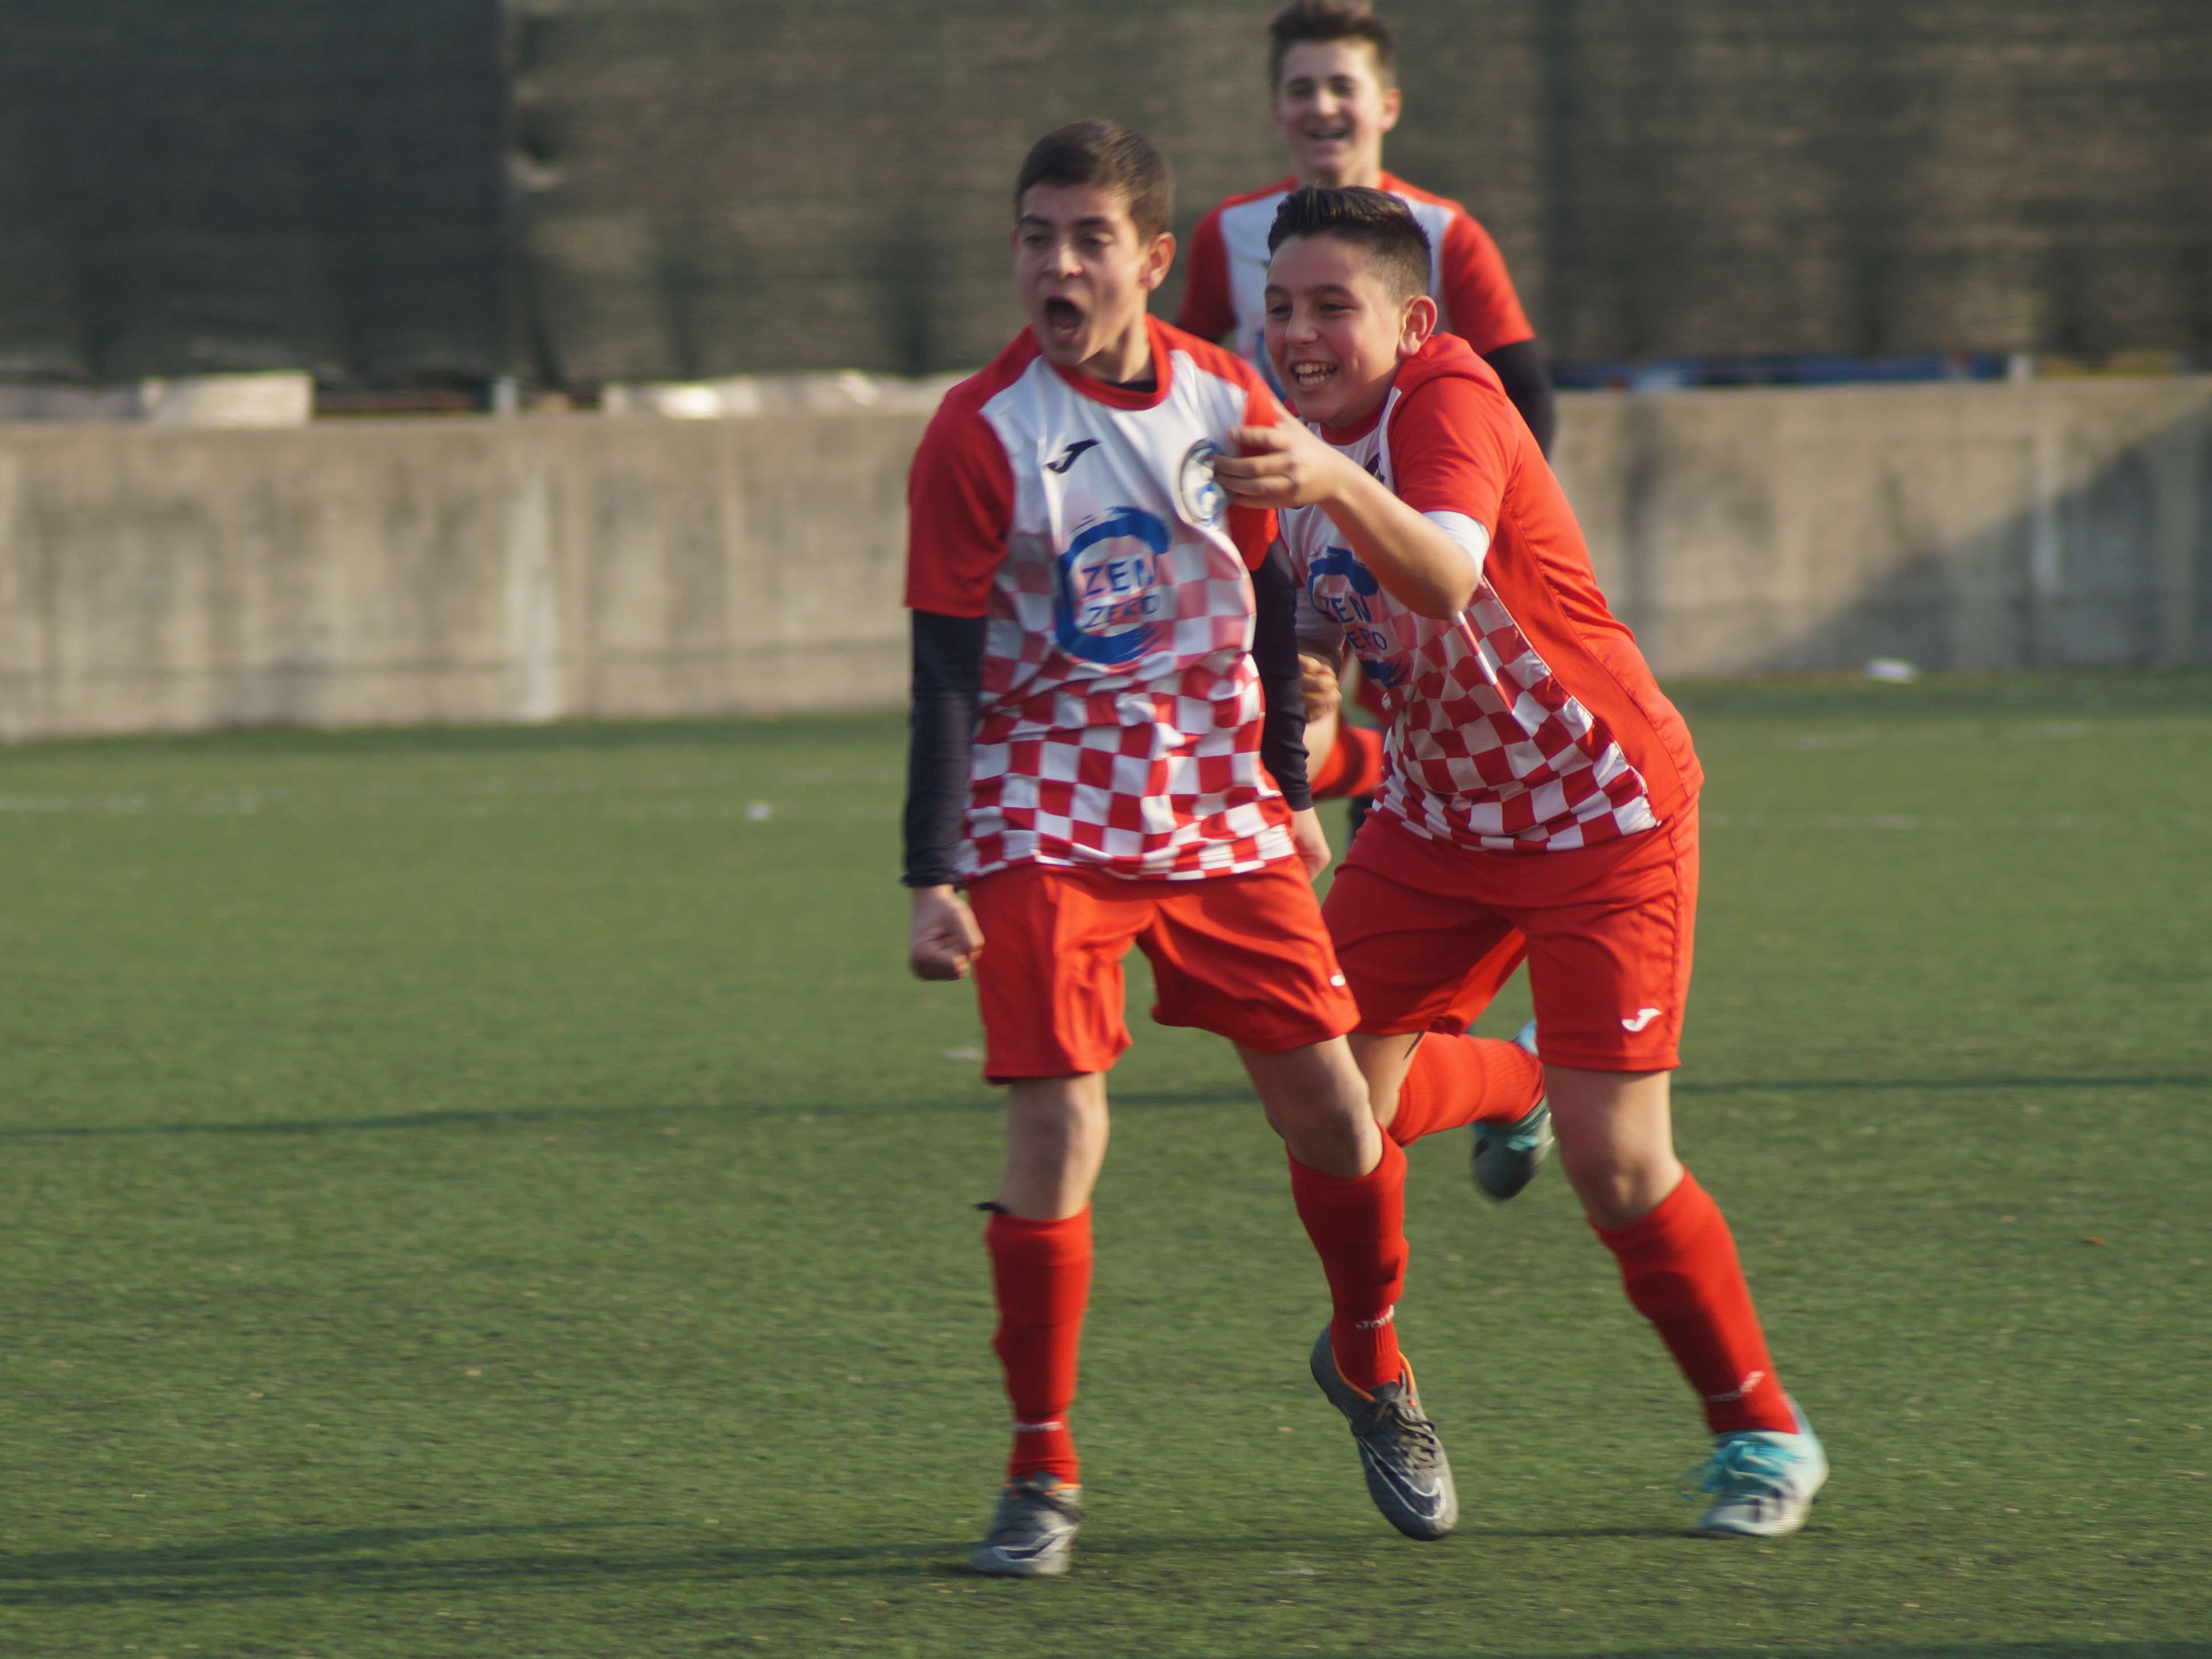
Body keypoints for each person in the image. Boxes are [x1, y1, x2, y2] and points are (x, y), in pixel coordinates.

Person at [1212, 184, 1831, 1538]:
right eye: (1280, 306)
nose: (1299, 332)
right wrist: (1286, 737)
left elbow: (1440, 575)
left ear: (1409, 322)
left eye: (1332, 305)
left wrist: (1326, 478)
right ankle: (1370, 1359)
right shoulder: (1276, 450)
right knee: (1329, 1104)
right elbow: (1308, 657)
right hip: (1435, 824)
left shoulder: (1445, 400)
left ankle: (1759, 1431)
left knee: (1619, 1167)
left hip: (1602, 816)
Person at [902, 122, 1458, 1576]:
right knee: (1058, 1122)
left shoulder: (1226, 393)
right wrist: (931, 872)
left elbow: (1266, 599)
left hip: (1213, 806)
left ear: (1152, 260)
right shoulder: (976, 432)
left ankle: (1373, 1361)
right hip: (1042, 812)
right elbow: (945, 668)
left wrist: (1286, 781)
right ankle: (1040, 1469)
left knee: (1336, 1121)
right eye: (1036, 236)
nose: (1058, 263)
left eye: (1089, 238)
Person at [1179, 0, 1556, 457]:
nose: (1322, 107)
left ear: (1387, 107)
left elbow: (1526, 393)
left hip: (1403, 487)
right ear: (1277, 113)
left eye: (1343, 87)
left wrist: (1497, 491)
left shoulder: (1448, 232)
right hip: (1277, 484)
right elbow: (1178, 372)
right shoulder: (1227, 230)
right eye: (1301, 90)